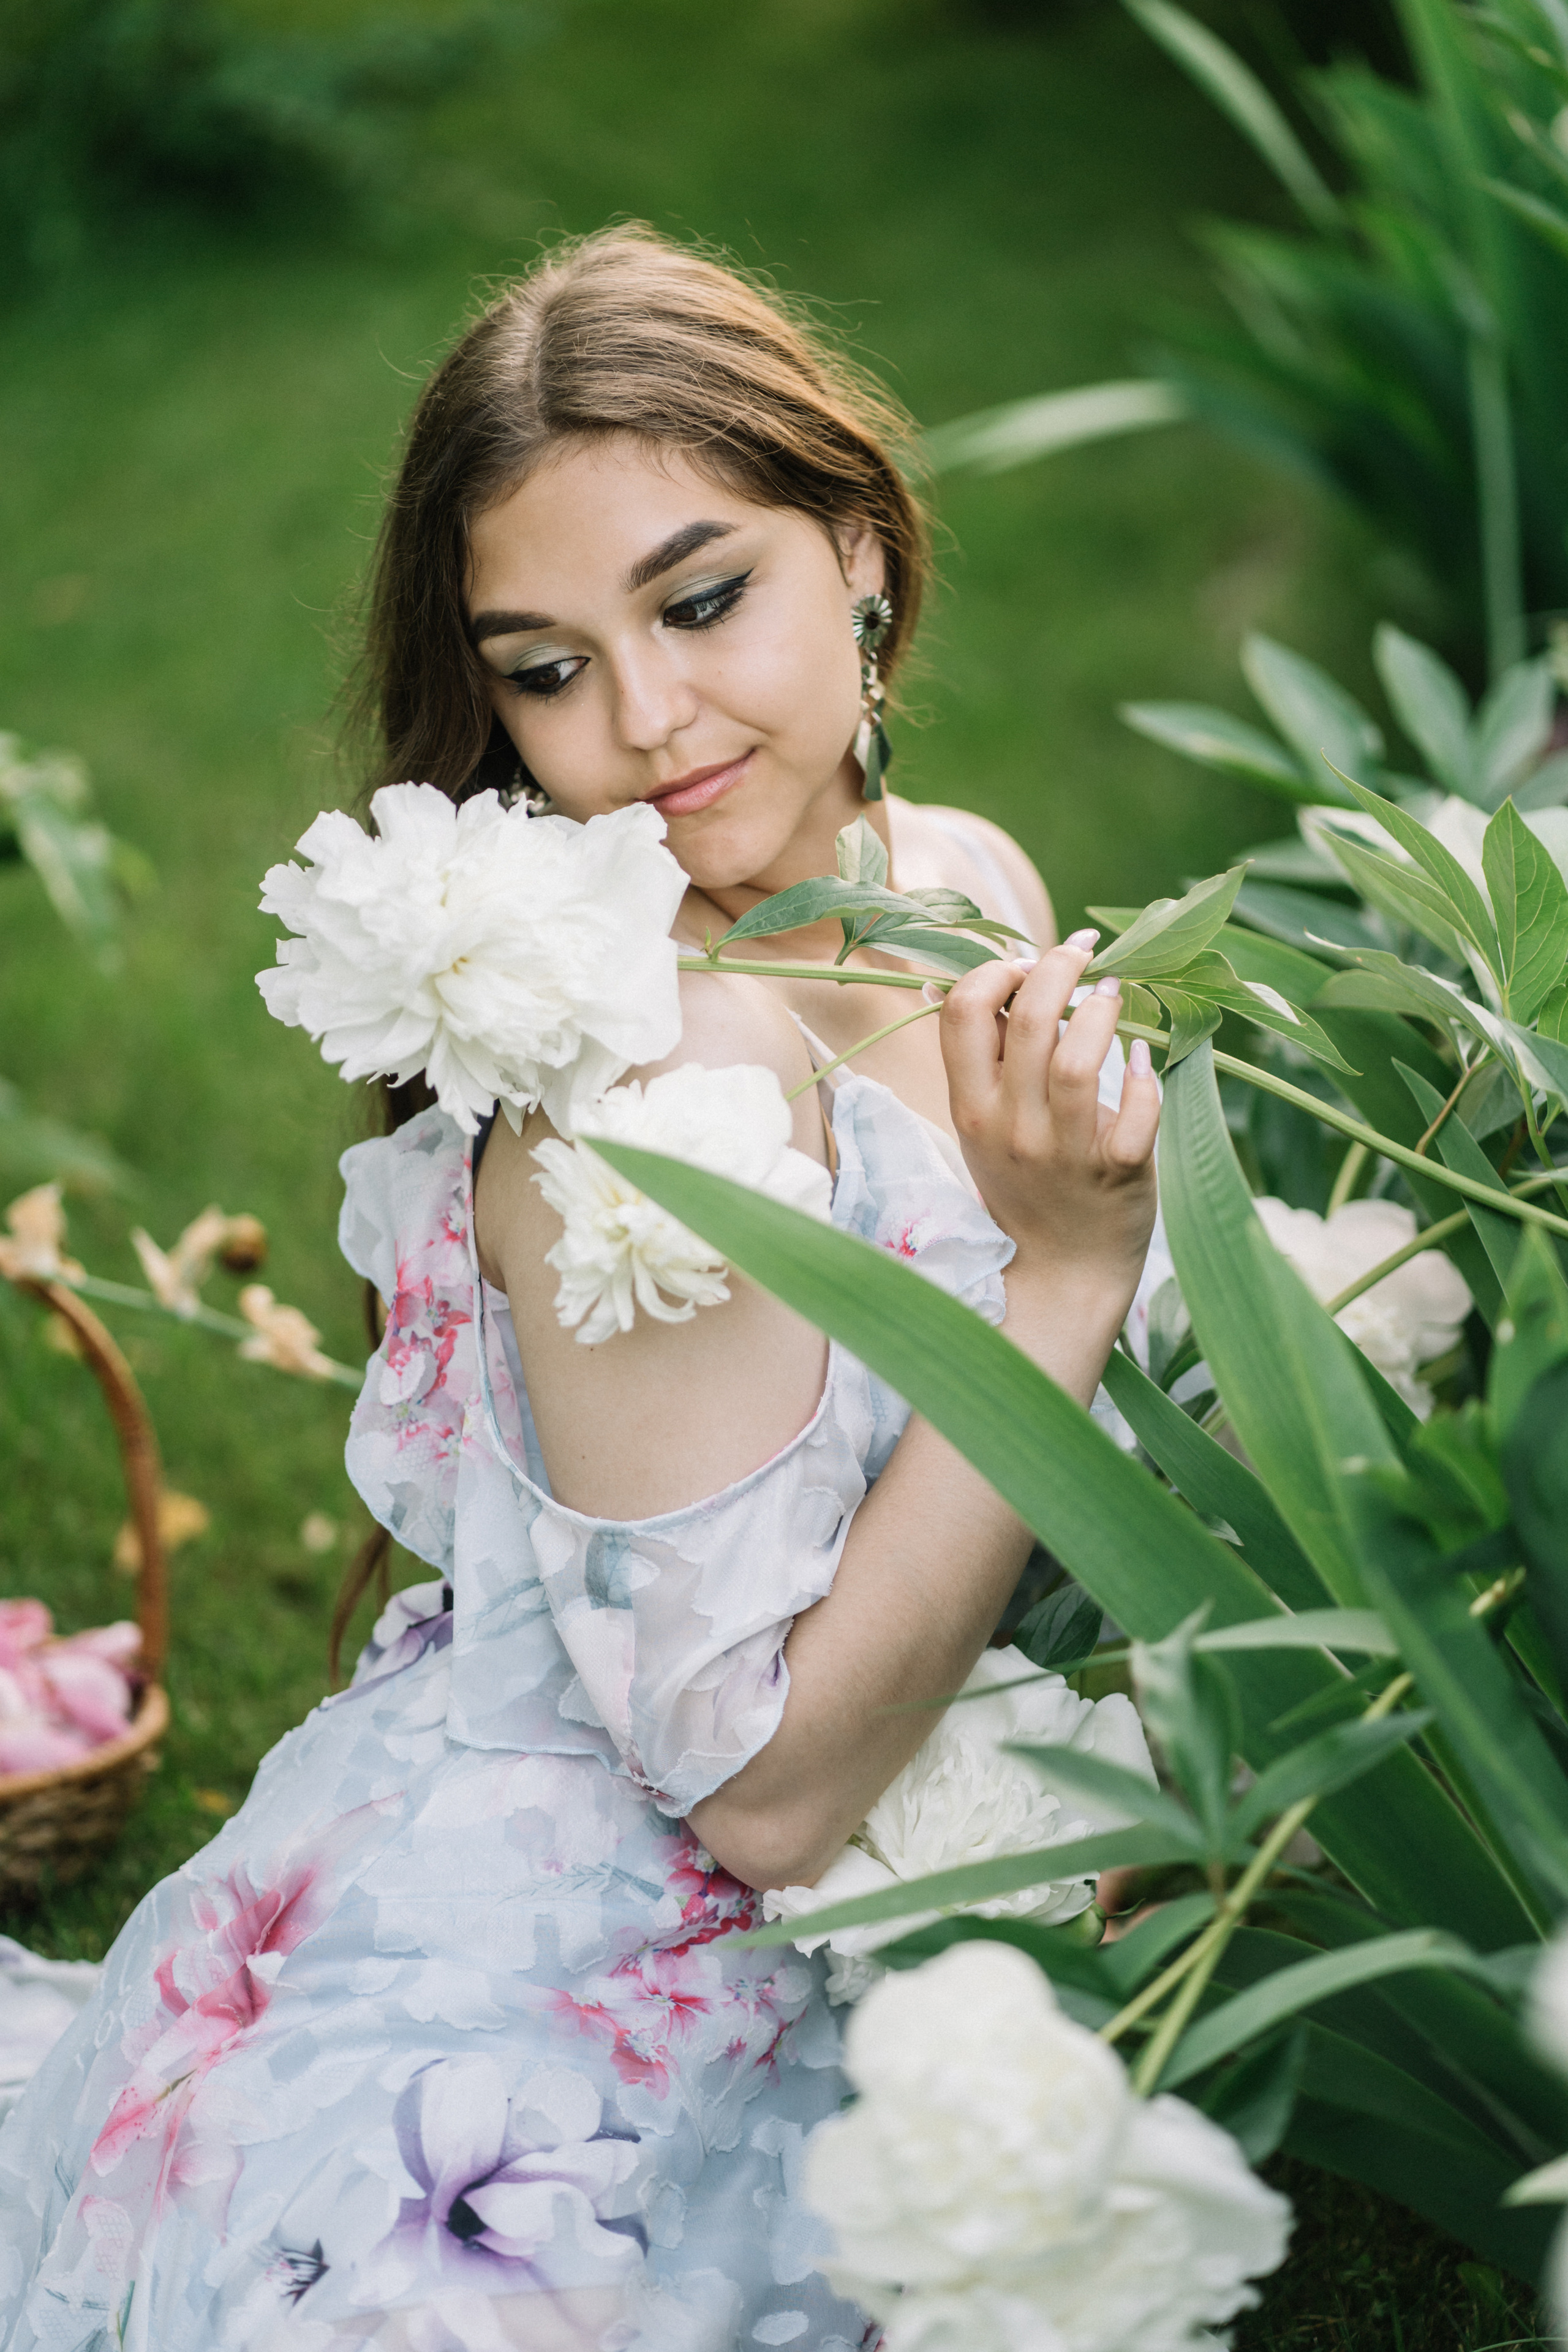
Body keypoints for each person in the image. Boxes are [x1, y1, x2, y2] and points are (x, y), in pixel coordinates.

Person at [0, 227, 1158, 2351]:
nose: (643, 722)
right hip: (604, 1965)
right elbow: (767, 1794)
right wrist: (1069, 1277)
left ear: (865, 555)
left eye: (703, 599)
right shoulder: (653, 1074)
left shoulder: (963, 883)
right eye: (543, 667)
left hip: (908, 1858)